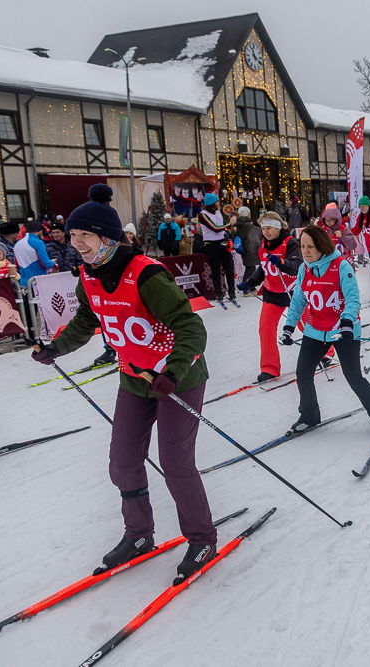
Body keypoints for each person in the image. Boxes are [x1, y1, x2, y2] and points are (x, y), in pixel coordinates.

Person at [30, 183, 217, 581]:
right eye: (73, 234)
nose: (75, 241)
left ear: (108, 238)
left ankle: (202, 538)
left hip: (176, 379)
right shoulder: (89, 275)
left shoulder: (146, 275)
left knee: (175, 463)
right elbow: (87, 319)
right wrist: (56, 349)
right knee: (123, 462)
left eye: (84, 235)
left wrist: (173, 371)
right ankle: (138, 534)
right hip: (134, 378)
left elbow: (190, 326)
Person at [281, 225, 370, 433]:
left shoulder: (341, 266)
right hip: (315, 330)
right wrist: (289, 326)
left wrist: (346, 324)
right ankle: (309, 416)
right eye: (303, 246)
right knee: (303, 373)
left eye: (311, 247)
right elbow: (298, 300)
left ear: (322, 246)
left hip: (343, 330)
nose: (305, 251)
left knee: (353, 376)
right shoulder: (304, 268)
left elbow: (352, 299)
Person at [237, 212, 302, 382]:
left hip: (293, 291)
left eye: (269, 228)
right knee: (265, 328)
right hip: (272, 292)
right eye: (263, 228)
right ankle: (270, 367)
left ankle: (327, 352)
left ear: (278, 227)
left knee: (306, 324)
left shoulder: (290, 242)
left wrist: (281, 262)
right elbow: (263, 269)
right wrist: (250, 282)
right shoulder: (263, 245)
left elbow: (297, 266)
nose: (266, 232)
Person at [198, 193, 237, 305]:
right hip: (211, 245)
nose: (219, 204)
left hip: (222, 243)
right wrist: (229, 224)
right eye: (217, 202)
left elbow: (222, 226)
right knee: (216, 271)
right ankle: (219, 293)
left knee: (229, 269)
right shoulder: (203, 215)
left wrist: (227, 231)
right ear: (212, 204)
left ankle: (232, 292)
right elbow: (214, 228)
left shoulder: (218, 212)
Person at [14, 218, 55, 284]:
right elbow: (47, 264)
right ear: (40, 231)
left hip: (24, 283)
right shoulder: (38, 243)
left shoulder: (17, 243)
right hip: (38, 283)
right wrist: (53, 261)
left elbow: (17, 265)